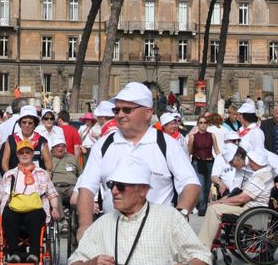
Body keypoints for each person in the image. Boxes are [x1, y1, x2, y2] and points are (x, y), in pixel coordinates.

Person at [68, 155, 212, 265]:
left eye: (121, 186)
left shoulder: (169, 217)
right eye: (112, 185)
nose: (114, 191)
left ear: (143, 190)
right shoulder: (102, 224)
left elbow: (204, 259)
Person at [77, 83, 200, 239]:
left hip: (157, 235)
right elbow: (86, 188)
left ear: (148, 113)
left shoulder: (167, 144)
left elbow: (191, 185)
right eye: (116, 110)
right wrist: (85, 226)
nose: (120, 115)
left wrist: (180, 217)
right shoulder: (103, 145)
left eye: (127, 110)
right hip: (113, 235)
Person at [0, 138, 60, 265]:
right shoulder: (10, 174)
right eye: (21, 152)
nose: (24, 155)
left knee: (36, 216)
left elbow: (52, 194)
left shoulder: (42, 173)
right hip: (14, 207)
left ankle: (34, 254)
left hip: (35, 207)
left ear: (32, 154)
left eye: (28, 152)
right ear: (17, 155)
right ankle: (14, 253)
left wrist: (54, 208)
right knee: (7, 216)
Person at [197, 147, 275, 248]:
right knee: (214, 206)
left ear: (258, 162)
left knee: (214, 209)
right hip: (248, 207)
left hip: (251, 209)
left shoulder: (261, 176)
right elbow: (240, 194)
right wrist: (222, 200)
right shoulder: (262, 173)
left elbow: (242, 199)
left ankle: (204, 245)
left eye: (251, 161)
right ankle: (205, 241)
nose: (249, 163)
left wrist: (220, 202)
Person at [1, 105, 51, 172]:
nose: (27, 125)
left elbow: (48, 164)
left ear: (35, 124)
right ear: (20, 123)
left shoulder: (41, 141)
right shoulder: (11, 139)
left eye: (30, 123)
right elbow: (4, 163)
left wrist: (46, 174)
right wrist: (10, 175)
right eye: (24, 122)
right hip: (15, 176)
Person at [188, 113, 220, 216]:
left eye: (205, 122)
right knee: (201, 186)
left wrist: (222, 161)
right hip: (197, 162)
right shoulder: (192, 137)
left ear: (208, 124)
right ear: (198, 124)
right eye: (201, 122)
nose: (203, 124)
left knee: (207, 187)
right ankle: (201, 208)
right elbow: (189, 152)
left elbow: (217, 150)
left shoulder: (212, 135)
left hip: (209, 162)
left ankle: (203, 206)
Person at [50, 136, 81, 219]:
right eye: (58, 146)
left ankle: (79, 219)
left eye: (62, 146)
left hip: (72, 187)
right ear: (52, 148)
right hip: (56, 187)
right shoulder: (49, 159)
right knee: (55, 194)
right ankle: (62, 221)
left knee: (80, 194)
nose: (60, 148)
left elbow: (81, 174)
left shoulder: (72, 158)